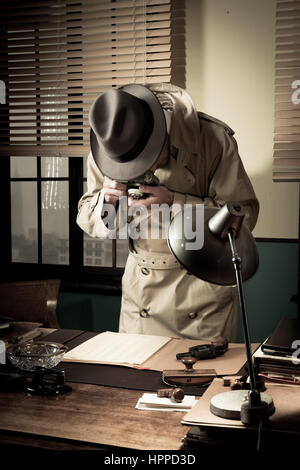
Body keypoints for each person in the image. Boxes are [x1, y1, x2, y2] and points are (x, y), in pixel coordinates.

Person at [77, 82, 259, 341]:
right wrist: (109, 200)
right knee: (136, 377)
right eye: (130, 164)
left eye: (147, 156)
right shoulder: (108, 144)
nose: (144, 168)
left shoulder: (214, 140)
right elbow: (95, 224)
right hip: (141, 292)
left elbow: (244, 218)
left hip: (201, 288)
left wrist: (175, 201)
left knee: (204, 379)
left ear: (163, 131)